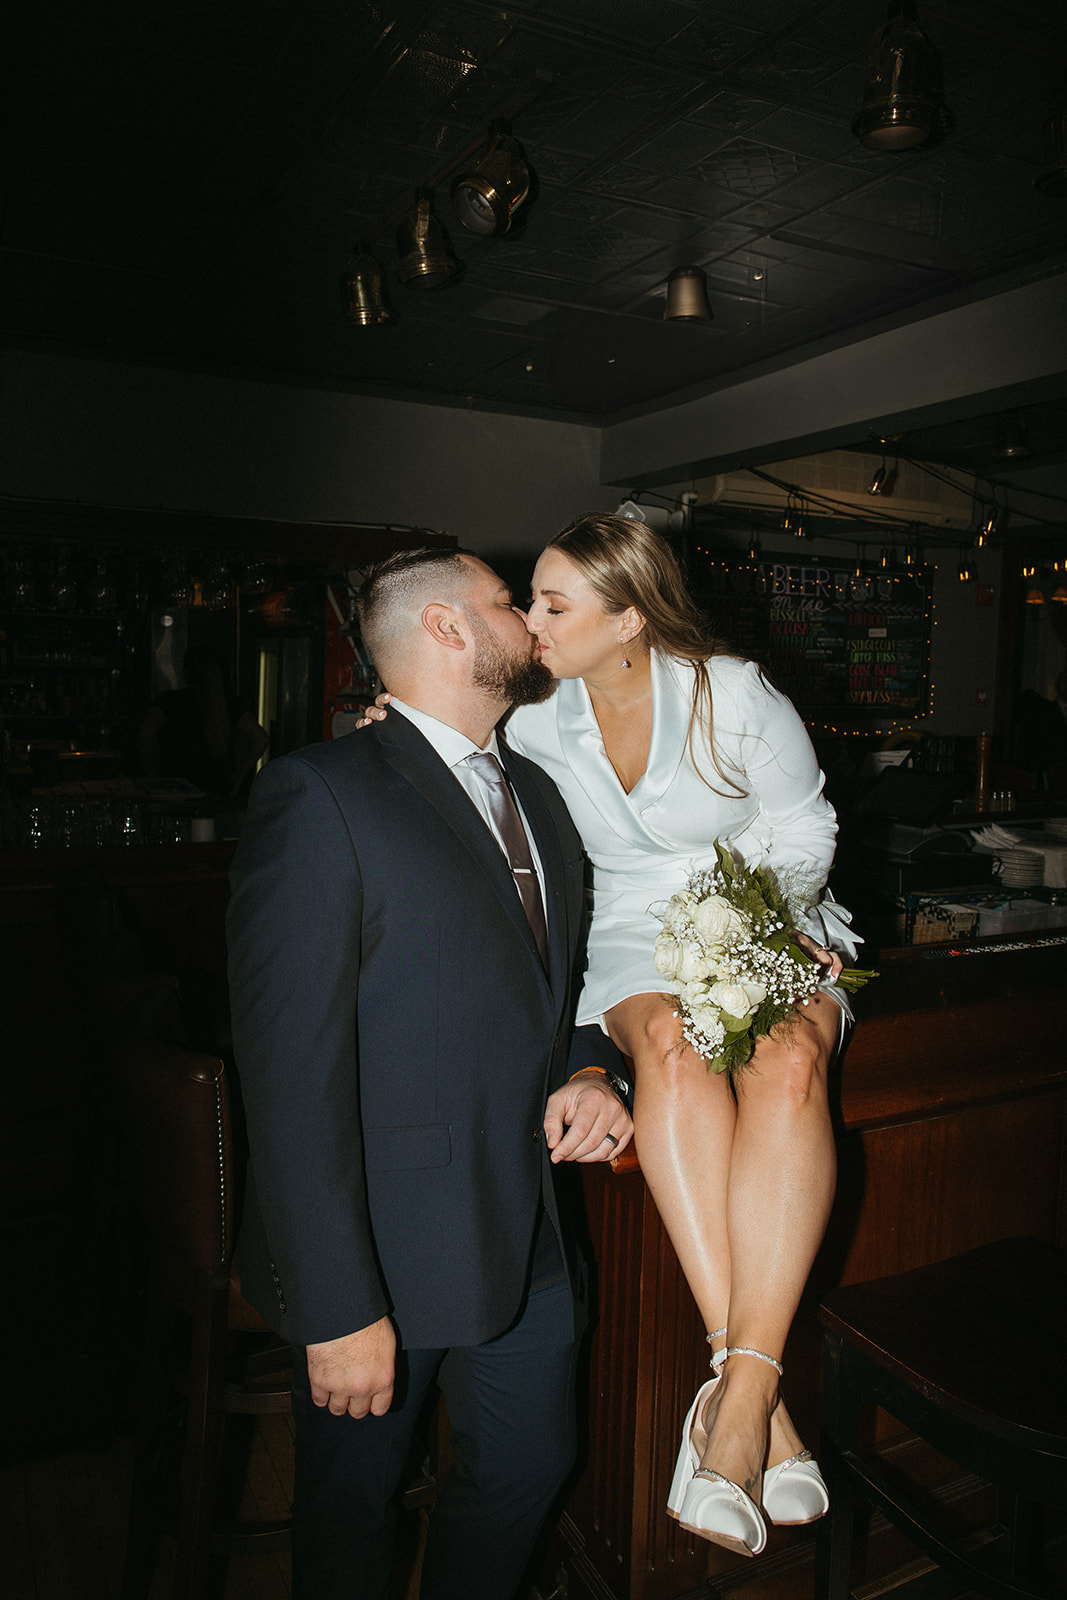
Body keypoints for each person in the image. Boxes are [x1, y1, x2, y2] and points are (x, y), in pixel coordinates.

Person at [362, 513, 859, 1560]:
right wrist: (385, 718)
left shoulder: (734, 692)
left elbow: (808, 826)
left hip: (765, 907)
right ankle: (755, 1406)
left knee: (790, 1060)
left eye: (552, 604)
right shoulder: (540, 716)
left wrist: (755, 923)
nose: (529, 622)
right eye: (528, 600)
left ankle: (735, 1392)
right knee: (672, 1055)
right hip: (635, 933)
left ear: (628, 617)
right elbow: (449, 737)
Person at [226, 547, 633, 1600]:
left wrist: (591, 1067)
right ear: (449, 629)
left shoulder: (538, 794)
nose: (531, 622)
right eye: (510, 603)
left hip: (527, 1227)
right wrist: (333, 1302)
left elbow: (564, 981)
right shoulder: (320, 792)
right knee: (353, 1518)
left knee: (529, 1465)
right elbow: (285, 1070)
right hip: (383, 1257)